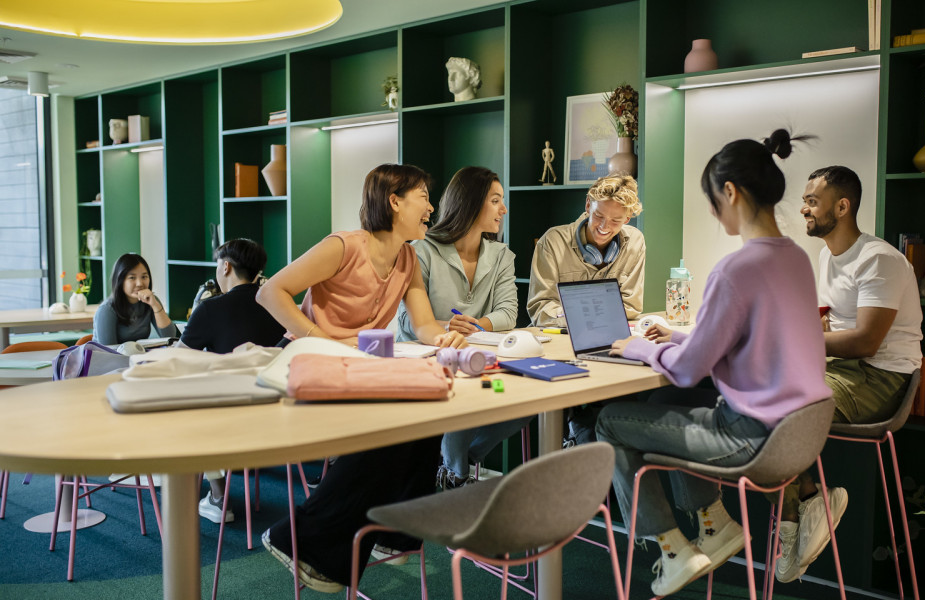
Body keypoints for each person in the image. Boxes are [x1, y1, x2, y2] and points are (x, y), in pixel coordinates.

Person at [595, 130, 831, 597]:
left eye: (711, 199)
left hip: (748, 438)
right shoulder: (798, 260)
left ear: (730, 192)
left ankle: (671, 548)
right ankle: (713, 522)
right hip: (799, 434)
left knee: (610, 422)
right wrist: (684, 336)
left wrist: (637, 346)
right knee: (667, 400)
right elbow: (756, 339)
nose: (711, 210)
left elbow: (687, 369)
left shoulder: (735, 269)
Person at [256, 163, 466, 593]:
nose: (431, 206)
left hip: (358, 365)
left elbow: (423, 323)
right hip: (310, 359)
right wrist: (324, 339)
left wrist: (444, 336)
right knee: (385, 429)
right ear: (394, 201)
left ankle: (392, 533)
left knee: (428, 412)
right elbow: (269, 292)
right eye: (424, 196)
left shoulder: (409, 257)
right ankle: (297, 539)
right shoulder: (343, 247)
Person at [771, 165, 924, 582]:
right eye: (804, 200)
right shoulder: (826, 256)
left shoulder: (879, 260)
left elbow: (865, 342)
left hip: (882, 378)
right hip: (844, 370)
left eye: (812, 201)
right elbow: (832, 329)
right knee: (762, 397)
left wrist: (797, 339)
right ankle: (806, 501)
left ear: (842, 206)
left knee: (783, 407)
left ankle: (800, 513)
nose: (803, 208)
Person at [396, 166, 529, 489]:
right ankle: (456, 474)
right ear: (471, 203)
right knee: (462, 396)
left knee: (528, 400)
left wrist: (474, 325)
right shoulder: (421, 251)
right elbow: (405, 322)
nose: (503, 209)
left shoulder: (501, 255)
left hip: (477, 358)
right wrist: (442, 324)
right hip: (426, 360)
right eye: (496, 200)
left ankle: (459, 462)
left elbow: (508, 312)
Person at [176, 237, 286, 524]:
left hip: (227, 421)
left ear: (225, 267)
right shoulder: (279, 304)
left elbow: (177, 361)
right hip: (280, 416)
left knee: (189, 406)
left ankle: (217, 497)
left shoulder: (210, 309)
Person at [526, 173, 645, 328]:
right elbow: (541, 309)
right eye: (598, 215)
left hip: (609, 333)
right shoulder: (552, 242)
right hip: (560, 334)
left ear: (627, 219)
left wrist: (578, 313)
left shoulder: (635, 242)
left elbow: (631, 307)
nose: (604, 227)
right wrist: (592, 317)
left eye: (615, 220)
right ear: (588, 205)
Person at [93, 253, 178, 345]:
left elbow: (171, 337)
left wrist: (155, 305)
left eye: (144, 277)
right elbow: (108, 352)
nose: (139, 283)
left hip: (135, 356)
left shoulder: (150, 300)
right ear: (120, 281)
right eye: (132, 278)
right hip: (108, 358)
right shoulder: (107, 309)